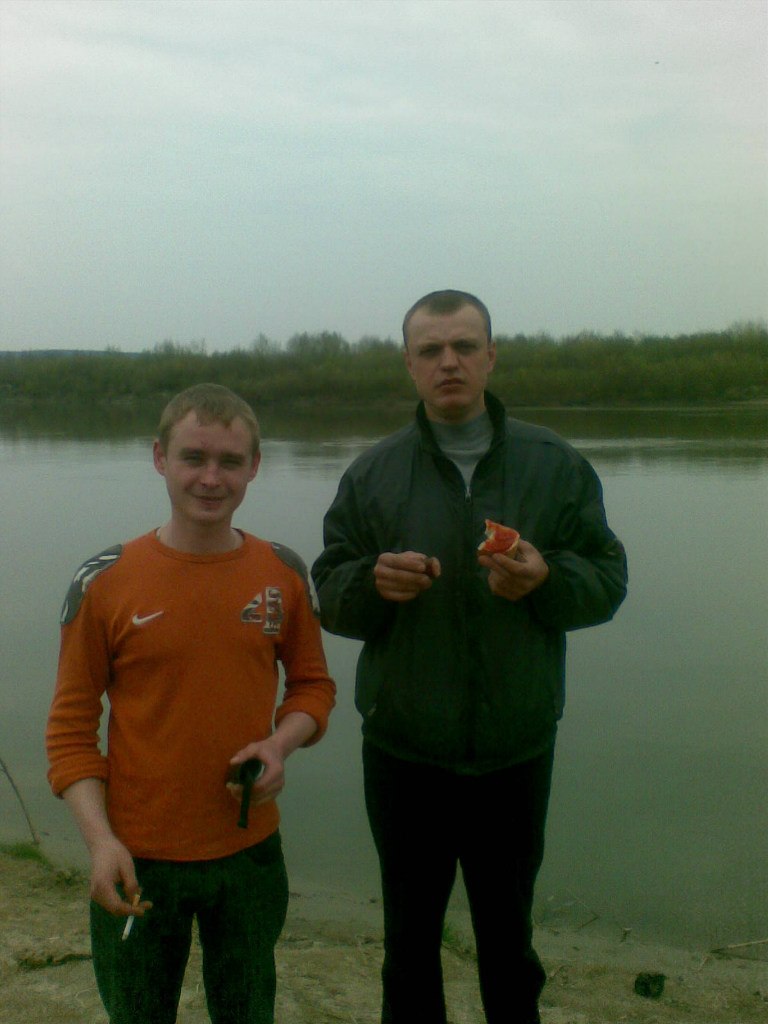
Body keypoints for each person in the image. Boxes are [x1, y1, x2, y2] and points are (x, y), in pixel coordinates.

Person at [311, 290, 627, 1024]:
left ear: (491, 356)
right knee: (408, 947)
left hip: (516, 750)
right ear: (409, 365)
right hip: (403, 752)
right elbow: (328, 592)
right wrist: (372, 584)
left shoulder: (556, 464)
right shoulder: (372, 473)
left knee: (509, 948)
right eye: (430, 350)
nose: (447, 362)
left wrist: (548, 579)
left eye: (463, 346)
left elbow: (608, 580)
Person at [46, 383, 336, 1024]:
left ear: (254, 466)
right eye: (193, 457)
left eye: (230, 461)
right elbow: (70, 730)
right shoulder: (105, 580)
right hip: (137, 855)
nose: (211, 478)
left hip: (250, 853)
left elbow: (314, 687)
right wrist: (100, 843)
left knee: (247, 1010)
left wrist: (279, 744)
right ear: (160, 458)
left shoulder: (283, 572)